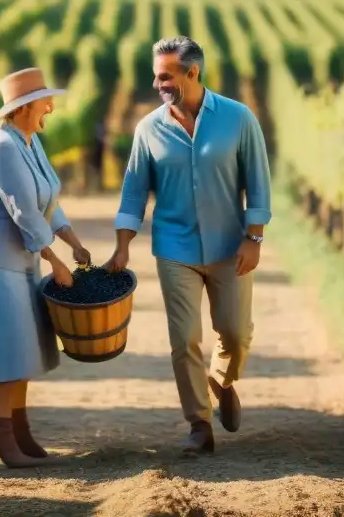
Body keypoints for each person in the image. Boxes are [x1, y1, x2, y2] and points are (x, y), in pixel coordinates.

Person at [106, 36, 272, 455]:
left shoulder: (238, 118)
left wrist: (254, 238)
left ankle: (221, 380)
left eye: (166, 76)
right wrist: (123, 245)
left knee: (235, 335)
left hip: (229, 246)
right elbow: (132, 193)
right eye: (156, 75)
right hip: (174, 247)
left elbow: (259, 182)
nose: (157, 83)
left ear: (192, 73)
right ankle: (199, 423)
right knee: (184, 339)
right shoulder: (148, 129)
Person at [0, 67, 91, 469]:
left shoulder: (28, 142)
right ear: (25, 107)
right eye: (45, 100)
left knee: (26, 344)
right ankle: (0, 430)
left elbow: (48, 199)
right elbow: (23, 212)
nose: (51, 106)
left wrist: (74, 241)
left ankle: (18, 428)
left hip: (20, 258)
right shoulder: (1, 146)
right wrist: (56, 261)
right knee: (10, 347)